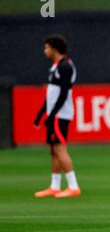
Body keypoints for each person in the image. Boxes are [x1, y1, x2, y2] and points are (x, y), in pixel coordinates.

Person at [34, 35, 81, 198]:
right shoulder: (56, 67)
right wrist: (41, 113)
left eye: (46, 47)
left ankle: (73, 186)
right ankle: (54, 186)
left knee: (60, 148)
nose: (44, 51)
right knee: (53, 150)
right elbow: (52, 94)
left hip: (61, 115)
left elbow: (63, 94)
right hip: (54, 114)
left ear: (54, 48)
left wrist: (52, 114)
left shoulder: (66, 67)